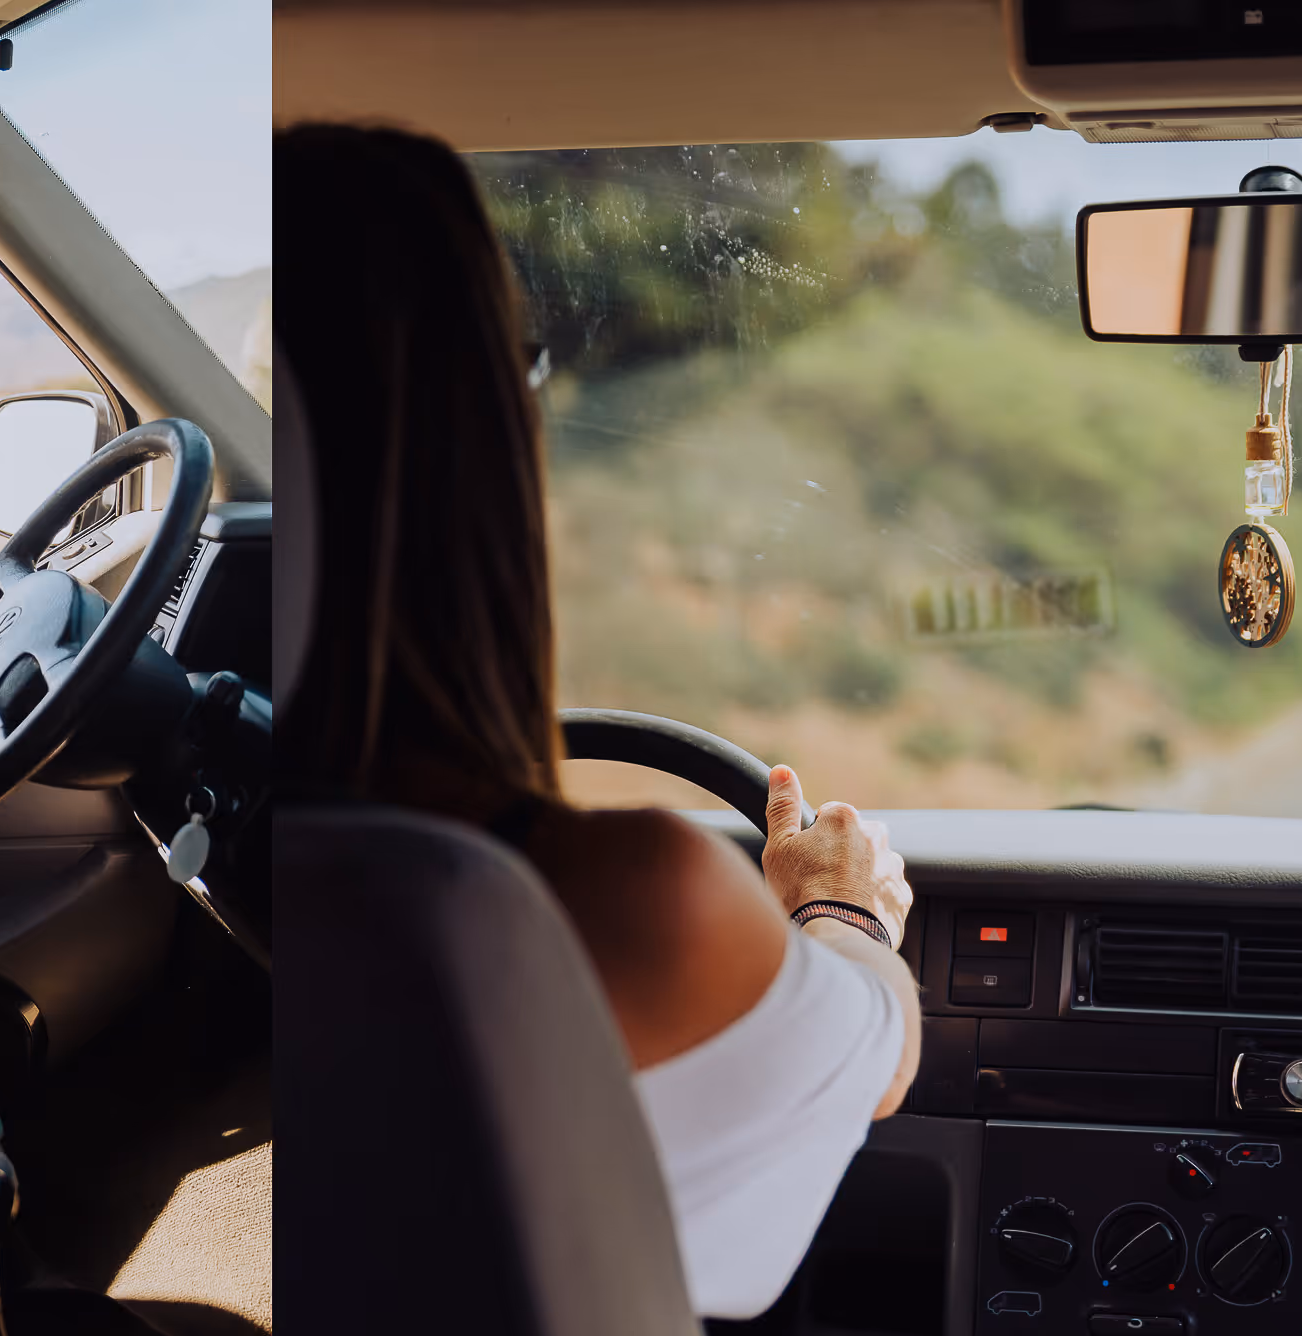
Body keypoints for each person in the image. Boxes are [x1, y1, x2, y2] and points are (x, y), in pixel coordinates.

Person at [276, 122, 922, 1320]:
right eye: (516, 368)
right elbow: (875, 1058)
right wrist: (841, 904)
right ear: (478, 450)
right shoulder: (611, 897)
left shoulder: (239, 855)